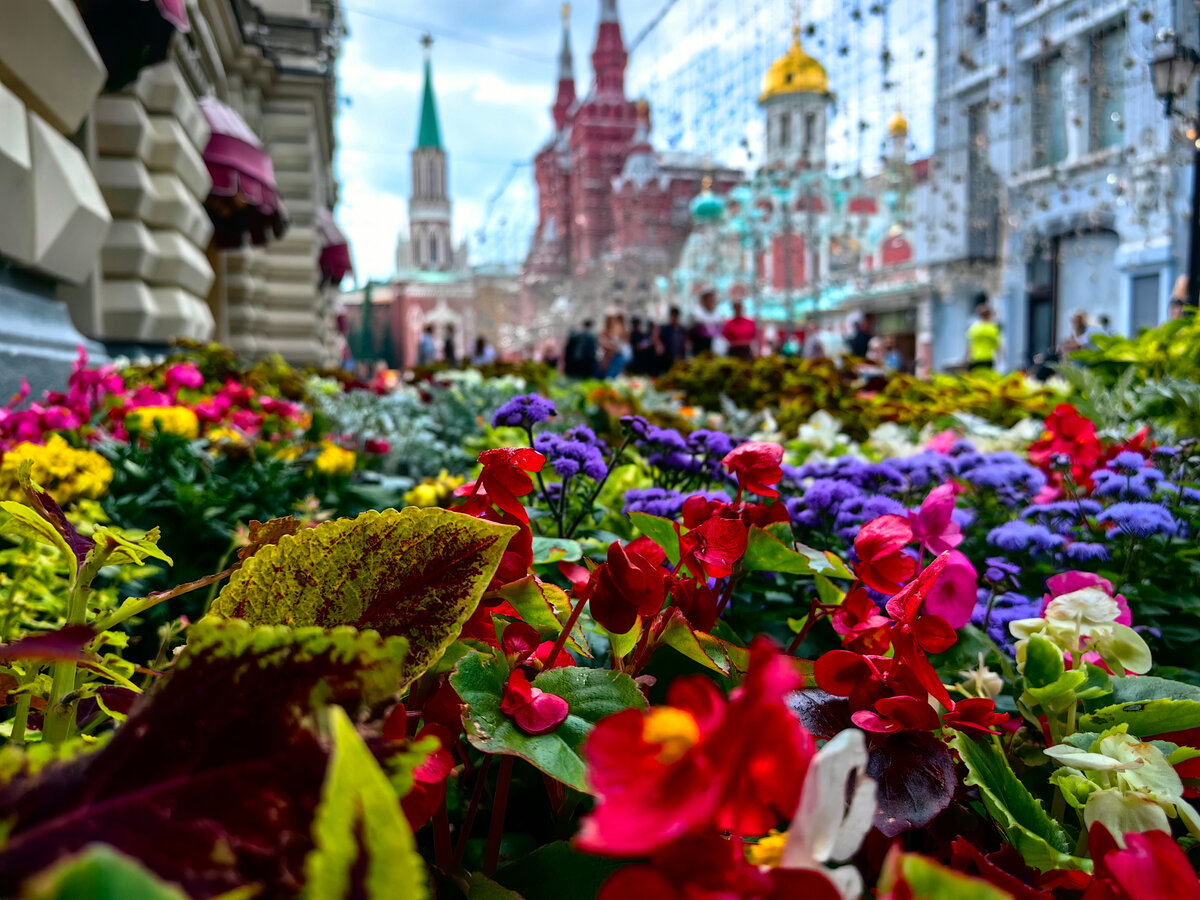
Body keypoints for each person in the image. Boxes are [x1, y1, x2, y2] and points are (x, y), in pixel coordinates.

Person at [966, 302, 1001, 371]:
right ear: (989, 315)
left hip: (975, 359)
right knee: (986, 380)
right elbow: (997, 346)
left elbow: (969, 345)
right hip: (987, 359)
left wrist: (967, 359)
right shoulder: (992, 329)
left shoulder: (973, 328)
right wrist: (999, 360)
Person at [600, 312, 632, 378]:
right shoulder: (607, 331)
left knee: (613, 374)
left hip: (617, 354)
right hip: (612, 355)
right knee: (610, 374)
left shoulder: (620, 330)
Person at [657, 306, 688, 373]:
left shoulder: (683, 329)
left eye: (676, 316)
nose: (674, 318)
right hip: (668, 358)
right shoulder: (665, 329)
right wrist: (659, 345)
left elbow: (687, 342)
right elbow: (658, 338)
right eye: (673, 316)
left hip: (680, 357)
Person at [690, 290, 722, 355]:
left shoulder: (718, 312)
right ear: (703, 300)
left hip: (714, 345)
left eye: (712, 299)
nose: (711, 301)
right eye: (709, 299)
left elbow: (719, 329)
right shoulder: (696, 312)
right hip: (700, 344)